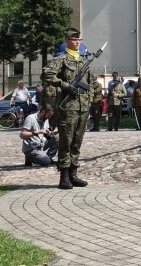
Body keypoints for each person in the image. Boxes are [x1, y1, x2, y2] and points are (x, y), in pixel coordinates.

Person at [41, 27, 102, 189]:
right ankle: (64, 176)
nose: (77, 42)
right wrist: (65, 85)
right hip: (68, 107)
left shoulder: (83, 60)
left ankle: (74, 174)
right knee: (66, 142)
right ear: (67, 41)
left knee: (77, 141)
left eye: (79, 40)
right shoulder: (61, 59)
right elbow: (46, 74)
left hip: (82, 107)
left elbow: (89, 83)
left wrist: (89, 99)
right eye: (74, 40)